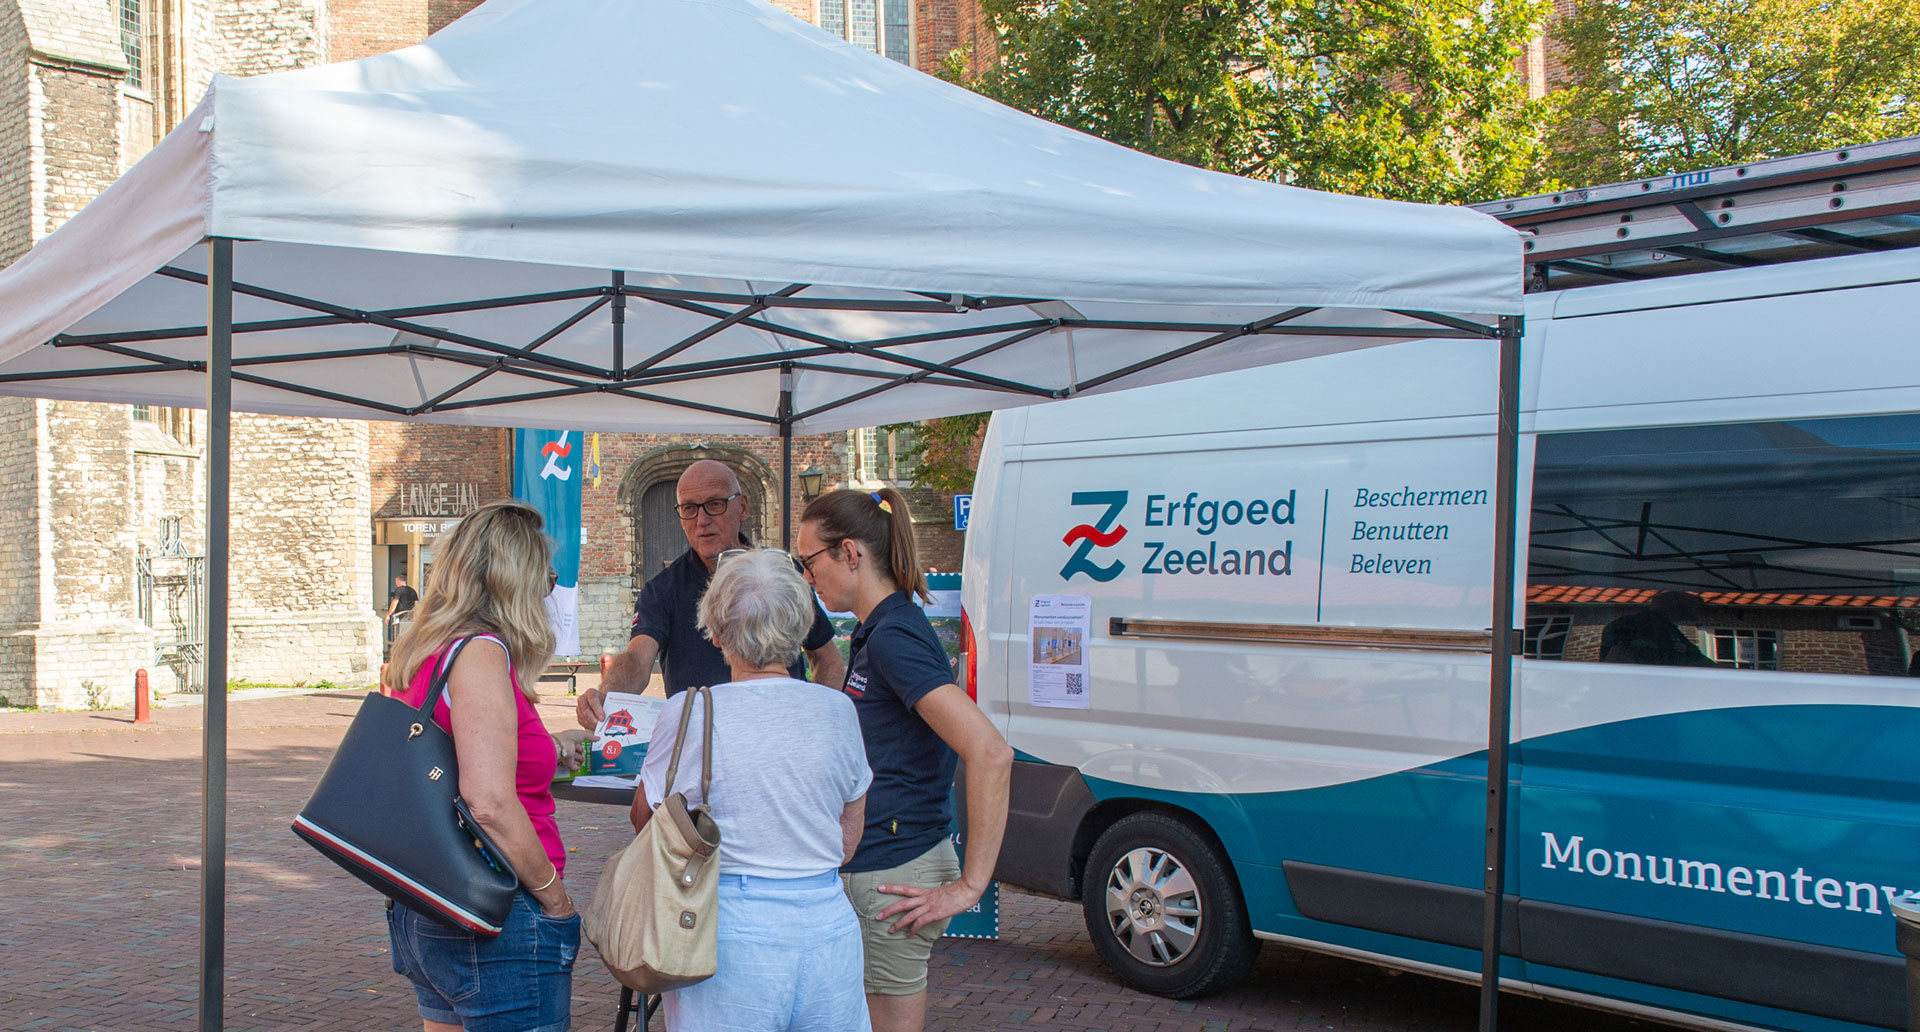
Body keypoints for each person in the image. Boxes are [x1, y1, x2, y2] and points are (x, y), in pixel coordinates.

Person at [796, 487, 1013, 1032]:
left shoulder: (893, 636)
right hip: (890, 858)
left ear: (850, 553)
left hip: (893, 869)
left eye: (809, 561)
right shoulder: (882, 630)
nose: (807, 577)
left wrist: (970, 886)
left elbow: (990, 751)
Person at [633, 548, 873, 1032]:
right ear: (800, 626)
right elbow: (848, 839)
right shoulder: (838, 711)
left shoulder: (687, 712)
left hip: (724, 924)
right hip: (826, 921)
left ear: (716, 632)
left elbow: (646, 819)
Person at [381, 500, 579, 1032]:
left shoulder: (425, 649)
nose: (548, 592)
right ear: (515, 579)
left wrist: (546, 748)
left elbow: (446, 759)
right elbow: (488, 802)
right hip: (498, 903)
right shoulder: (481, 653)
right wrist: (554, 899)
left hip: (428, 897)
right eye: (546, 577)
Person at [576, 460, 846, 729]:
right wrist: (605, 696)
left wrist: (821, 719)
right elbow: (637, 659)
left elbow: (825, 655)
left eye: (715, 505)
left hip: (781, 731)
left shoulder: (783, 574)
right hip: (701, 744)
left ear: (742, 507)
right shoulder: (662, 589)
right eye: (689, 509)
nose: (702, 521)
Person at [1600, 590, 1719, 666]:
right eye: (1692, 608)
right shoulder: (1634, 625)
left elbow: (1697, 660)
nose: (1697, 612)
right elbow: (1619, 659)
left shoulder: (1668, 628)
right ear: (1676, 608)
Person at [384, 573, 418, 639]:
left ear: (398, 581)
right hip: (411, 616)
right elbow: (417, 604)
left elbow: (395, 602)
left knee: (400, 635)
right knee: (409, 635)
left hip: (401, 616)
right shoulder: (412, 591)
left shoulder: (399, 590)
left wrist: (388, 614)